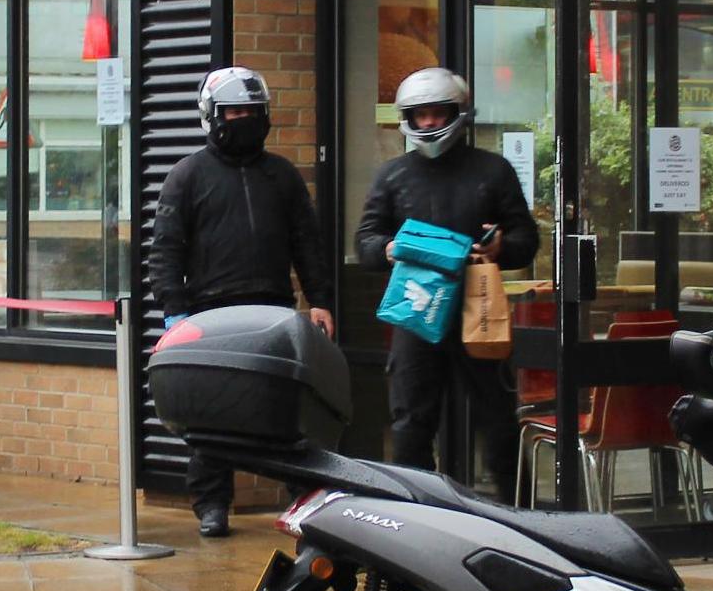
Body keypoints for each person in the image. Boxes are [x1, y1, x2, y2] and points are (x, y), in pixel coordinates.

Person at [148, 65, 334, 537]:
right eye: (234, 111)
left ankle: (305, 498)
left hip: (273, 310)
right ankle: (212, 504)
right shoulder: (186, 177)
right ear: (212, 116)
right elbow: (166, 251)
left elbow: (307, 245)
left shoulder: (283, 178)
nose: (244, 119)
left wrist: (321, 300)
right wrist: (175, 313)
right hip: (210, 314)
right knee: (211, 415)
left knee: (289, 410)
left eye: (252, 111)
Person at [354, 66, 539, 492]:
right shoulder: (392, 175)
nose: (430, 123)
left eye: (438, 113)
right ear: (408, 119)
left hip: (478, 308)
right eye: (420, 115)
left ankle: (520, 512)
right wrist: (389, 248)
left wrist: (500, 247)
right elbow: (365, 239)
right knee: (410, 421)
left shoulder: (493, 170)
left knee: (497, 420)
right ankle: (416, 511)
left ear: (458, 113)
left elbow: (527, 237)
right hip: (416, 308)